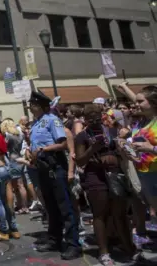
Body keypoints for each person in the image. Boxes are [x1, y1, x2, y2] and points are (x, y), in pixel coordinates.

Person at [75, 105, 140, 266]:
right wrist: (92, 149)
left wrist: (117, 154)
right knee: (100, 214)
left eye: (97, 115)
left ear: (102, 115)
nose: (94, 119)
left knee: (120, 213)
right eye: (90, 116)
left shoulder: (110, 131)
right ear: (85, 119)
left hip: (115, 175)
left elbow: (121, 151)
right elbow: (80, 161)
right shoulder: (82, 136)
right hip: (95, 177)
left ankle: (128, 247)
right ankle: (104, 252)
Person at [29, 90, 81, 260]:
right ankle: (54, 239)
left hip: (55, 166)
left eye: (33, 105)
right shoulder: (36, 124)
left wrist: (43, 149)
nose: (30, 107)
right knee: (51, 207)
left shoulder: (52, 120)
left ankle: (73, 244)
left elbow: (63, 144)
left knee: (65, 207)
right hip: (42, 167)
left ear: (42, 106)